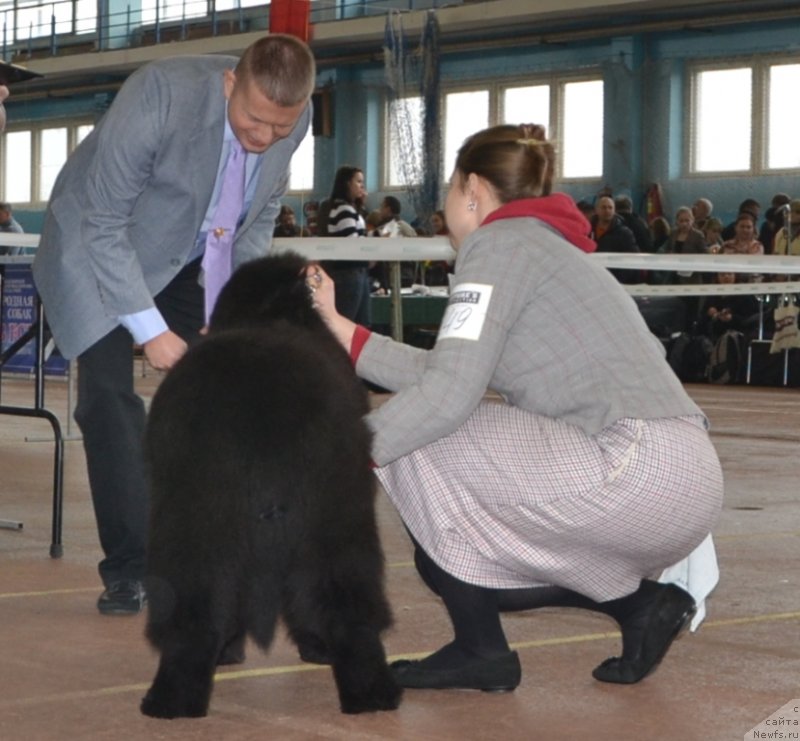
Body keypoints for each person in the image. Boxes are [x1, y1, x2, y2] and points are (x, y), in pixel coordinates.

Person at [308, 123, 723, 692]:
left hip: (632, 467)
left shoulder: (497, 245)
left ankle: (484, 648)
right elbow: (449, 372)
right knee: (447, 536)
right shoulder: (542, 247)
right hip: (682, 482)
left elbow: (445, 397)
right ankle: (636, 607)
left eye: (450, 190)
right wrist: (339, 327)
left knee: (423, 437)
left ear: (473, 189)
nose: (446, 206)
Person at [32, 34, 315, 615]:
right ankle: (132, 567)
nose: (264, 138)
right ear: (230, 84)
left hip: (189, 252)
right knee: (109, 398)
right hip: (94, 244)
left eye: (279, 130)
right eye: (254, 120)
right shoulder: (158, 94)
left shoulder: (295, 115)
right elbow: (104, 223)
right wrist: (149, 330)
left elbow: (254, 221)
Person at [320, 165, 371, 325]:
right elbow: (352, 242)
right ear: (347, 183)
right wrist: (375, 238)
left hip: (357, 272)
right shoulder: (343, 209)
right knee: (347, 323)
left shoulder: (350, 209)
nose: (362, 186)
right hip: (348, 273)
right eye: (358, 181)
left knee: (360, 324)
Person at [590, 195, 641, 284]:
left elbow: (632, 258)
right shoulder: (588, 231)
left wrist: (617, 280)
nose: (607, 210)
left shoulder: (624, 233)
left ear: (614, 210)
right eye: (604, 207)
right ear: (596, 210)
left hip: (615, 280)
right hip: (593, 278)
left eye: (610, 208)